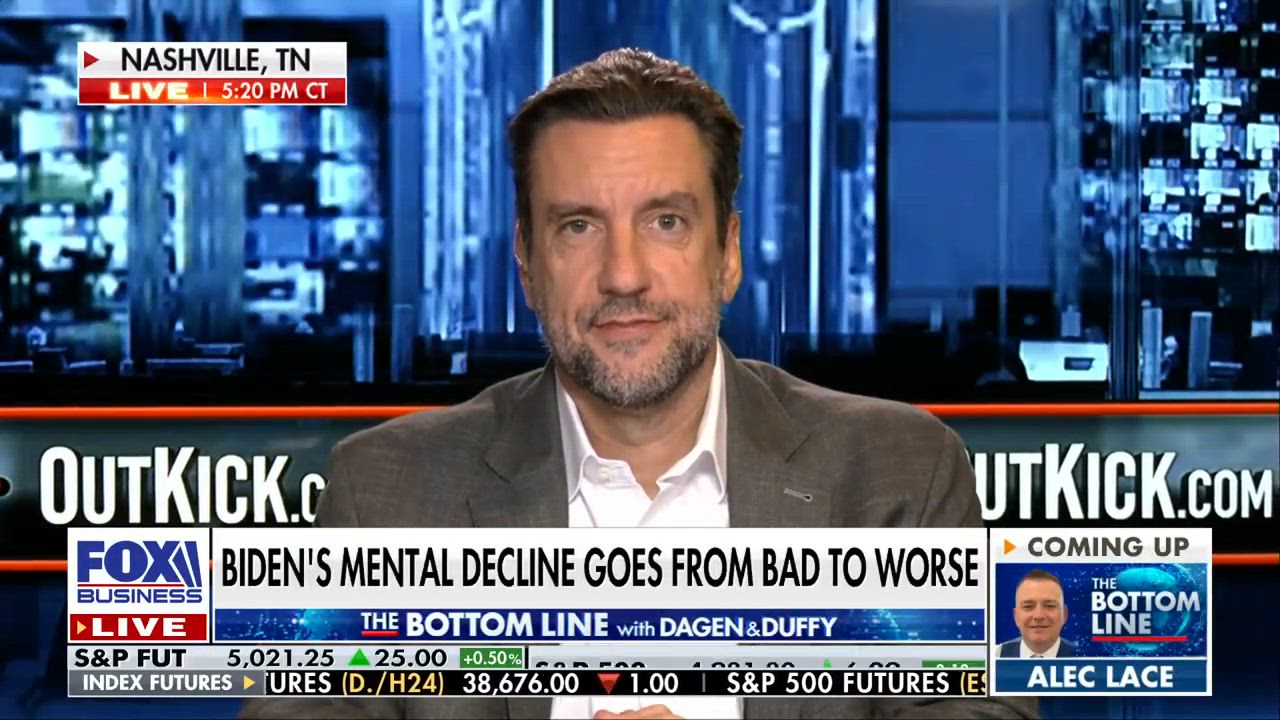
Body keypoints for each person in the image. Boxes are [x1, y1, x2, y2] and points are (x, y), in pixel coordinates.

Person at [242, 48, 1035, 720]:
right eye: (578, 226)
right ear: (527, 263)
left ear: (727, 253)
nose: (623, 275)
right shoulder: (386, 495)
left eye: (665, 222)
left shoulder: (899, 478)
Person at [998, 569, 1077, 659]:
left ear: (1064, 615)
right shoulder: (995, 655)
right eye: (1028, 606)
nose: (1038, 616)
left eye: (1049, 606)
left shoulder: (1085, 656)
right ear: (1016, 616)